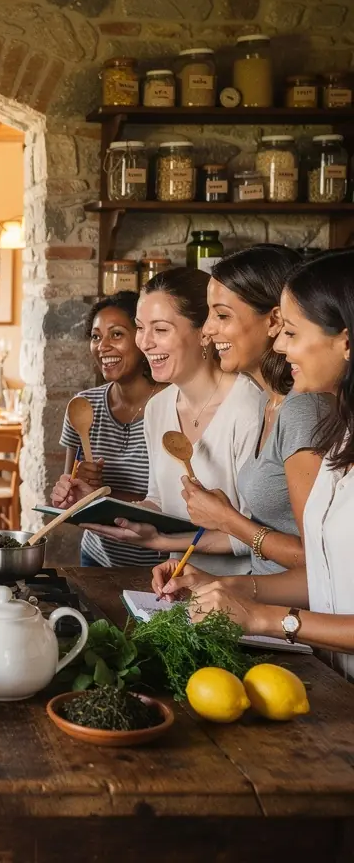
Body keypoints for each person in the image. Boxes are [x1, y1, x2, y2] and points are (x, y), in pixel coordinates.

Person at [153, 250, 354, 681]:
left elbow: (308, 557)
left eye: (292, 330)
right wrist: (228, 588)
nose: (282, 343)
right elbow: (324, 571)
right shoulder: (333, 428)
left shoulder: (307, 412)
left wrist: (266, 618)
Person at [65, 267, 263, 575]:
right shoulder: (158, 408)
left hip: (242, 594)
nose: (144, 342)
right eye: (141, 328)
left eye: (160, 330)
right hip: (179, 585)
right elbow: (158, 501)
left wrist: (161, 541)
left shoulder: (250, 407)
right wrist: (96, 505)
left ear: (203, 332)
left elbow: (258, 536)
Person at [180, 246, 329, 574]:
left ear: (274, 320)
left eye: (222, 315)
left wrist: (227, 519)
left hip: (293, 618)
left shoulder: (302, 410)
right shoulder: (268, 401)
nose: (206, 329)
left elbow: (320, 560)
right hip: (264, 603)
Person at [50, 291, 165, 568]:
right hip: (96, 556)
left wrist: (102, 493)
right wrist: (73, 490)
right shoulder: (84, 404)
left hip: (159, 563)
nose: (102, 346)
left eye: (116, 334)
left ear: (141, 339)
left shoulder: (172, 406)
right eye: (96, 336)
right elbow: (69, 500)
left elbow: (175, 506)